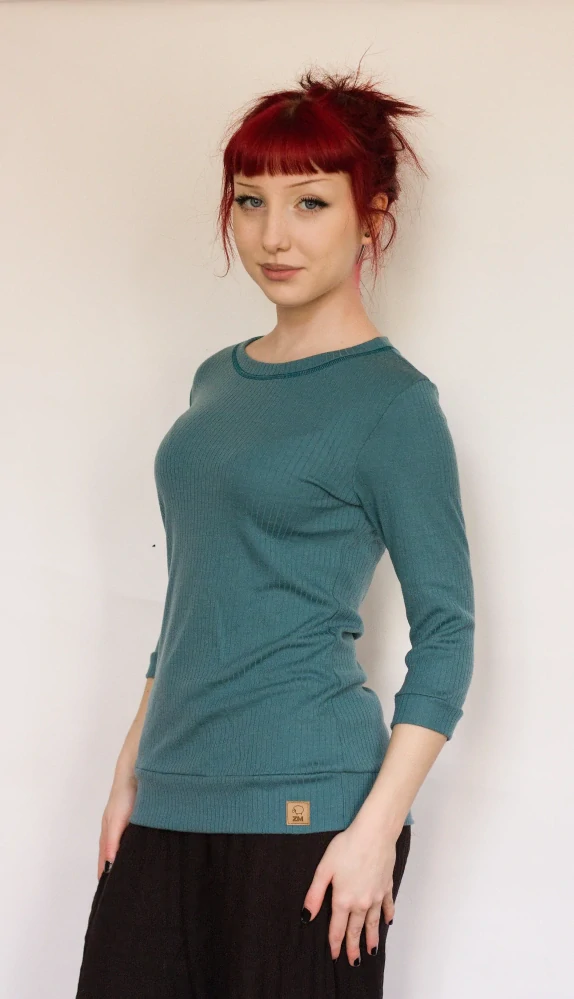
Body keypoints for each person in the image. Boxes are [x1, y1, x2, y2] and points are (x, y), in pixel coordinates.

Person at [75, 63, 475, 999]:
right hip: (168, 796)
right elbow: (196, 595)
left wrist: (376, 829)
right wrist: (131, 768)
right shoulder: (217, 378)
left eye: (310, 203)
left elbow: (448, 634)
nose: (272, 235)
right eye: (251, 201)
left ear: (370, 217)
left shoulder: (394, 405)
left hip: (308, 814)